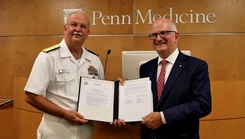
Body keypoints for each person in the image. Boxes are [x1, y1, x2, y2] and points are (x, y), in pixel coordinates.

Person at [113, 18, 212, 139]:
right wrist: (122, 98)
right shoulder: (146, 68)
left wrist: (163, 117)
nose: (158, 38)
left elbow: (202, 105)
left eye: (164, 33)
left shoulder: (196, 66)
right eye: (154, 35)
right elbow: (144, 104)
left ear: (176, 37)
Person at [24, 10, 104, 139]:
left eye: (83, 26)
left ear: (88, 33)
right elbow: (31, 96)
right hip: (56, 130)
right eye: (74, 24)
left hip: (86, 130)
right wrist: (64, 113)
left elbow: (100, 95)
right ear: (65, 28)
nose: (78, 29)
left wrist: (117, 87)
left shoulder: (94, 60)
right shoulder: (48, 57)